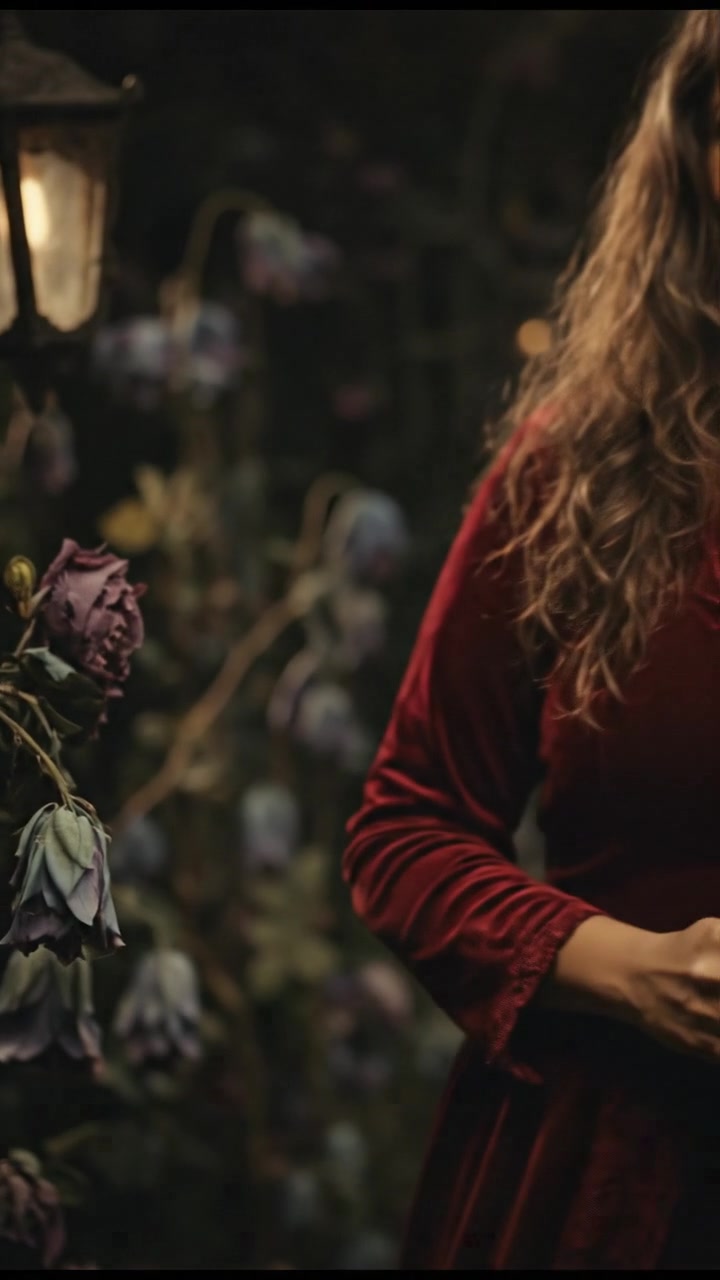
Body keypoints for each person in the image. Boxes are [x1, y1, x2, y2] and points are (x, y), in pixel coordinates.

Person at [342, 10, 720, 1271]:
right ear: (705, 156)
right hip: (620, 1174)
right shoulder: (581, 470)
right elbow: (404, 825)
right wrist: (617, 965)